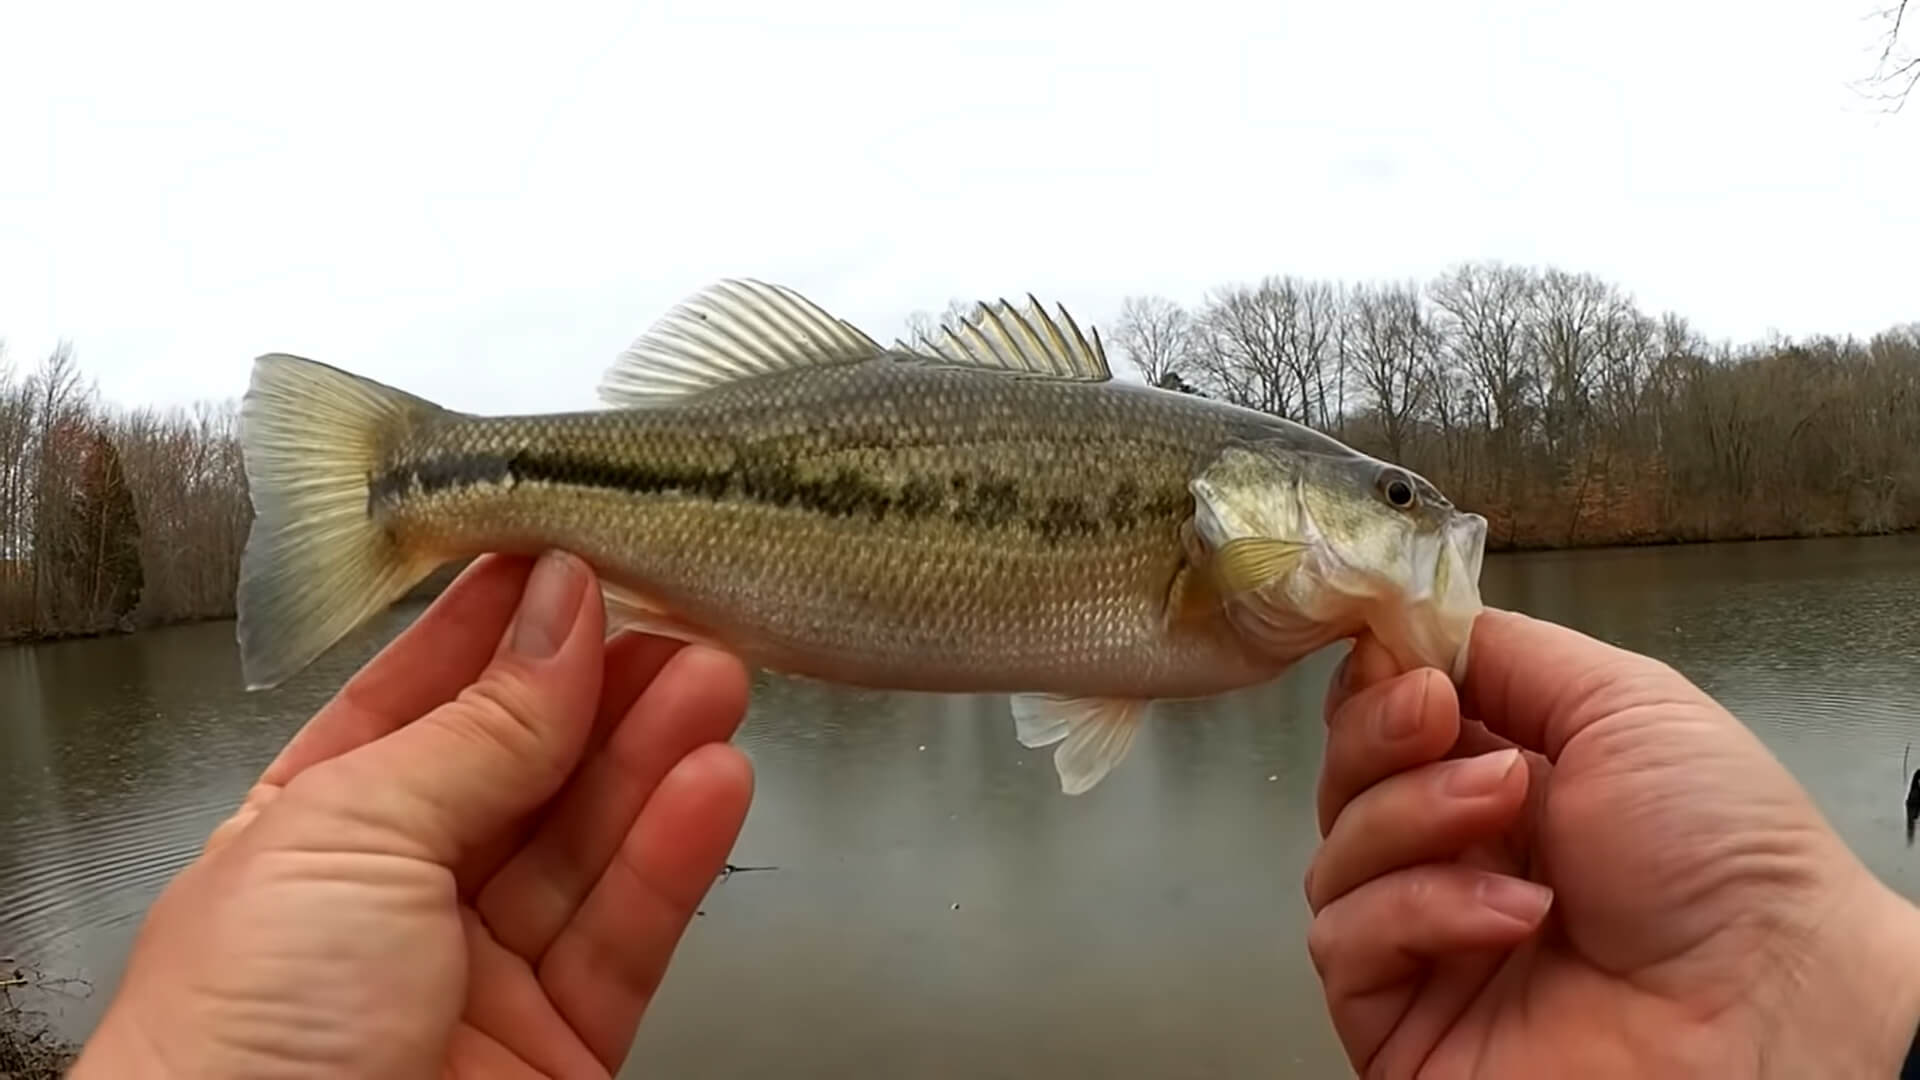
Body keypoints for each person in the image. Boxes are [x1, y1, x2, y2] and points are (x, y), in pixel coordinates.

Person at [68, 550, 1920, 1077]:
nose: (1417, 538)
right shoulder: (1190, 570)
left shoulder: (1219, 596)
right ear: (1240, 513)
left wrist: (1808, 1007)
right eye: (1376, 504)